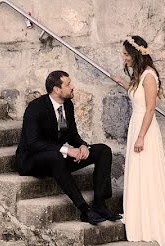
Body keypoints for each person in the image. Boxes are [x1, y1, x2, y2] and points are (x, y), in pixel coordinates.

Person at [16, 70, 120, 226]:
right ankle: (85, 209)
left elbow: (72, 135)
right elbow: (34, 143)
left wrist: (82, 146)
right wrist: (67, 150)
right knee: (57, 156)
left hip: (58, 158)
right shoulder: (36, 107)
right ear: (56, 89)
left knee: (102, 150)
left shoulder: (67, 105)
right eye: (68, 84)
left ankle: (100, 204)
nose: (72, 87)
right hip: (33, 160)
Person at [120, 36, 165, 246]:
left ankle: (149, 223)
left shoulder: (149, 76)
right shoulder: (139, 76)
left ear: (136, 54)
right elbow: (136, 96)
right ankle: (138, 221)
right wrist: (121, 81)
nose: (124, 58)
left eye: (127, 54)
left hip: (144, 129)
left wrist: (141, 137)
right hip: (136, 126)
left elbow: (149, 109)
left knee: (147, 174)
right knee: (138, 174)